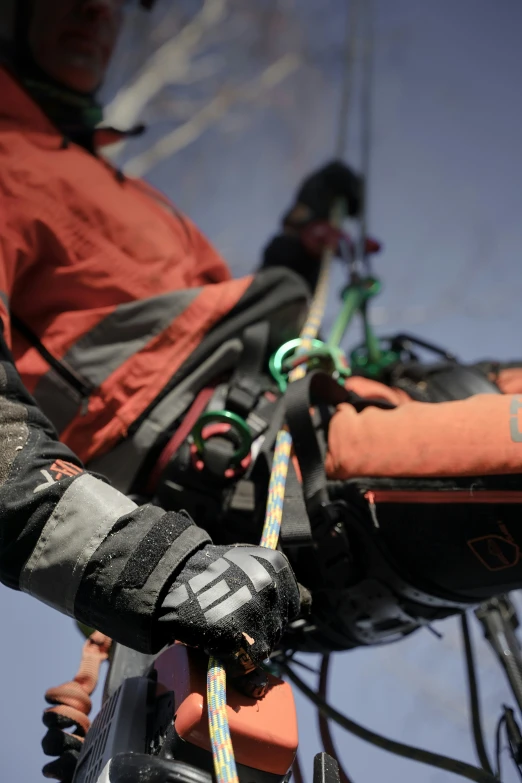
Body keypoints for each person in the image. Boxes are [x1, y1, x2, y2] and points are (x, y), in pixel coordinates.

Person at [0, 0, 364, 668]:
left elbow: (215, 326)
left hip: (271, 417)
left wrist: (298, 242)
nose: (93, 9)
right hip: (213, 465)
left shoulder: (120, 187)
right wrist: (138, 565)